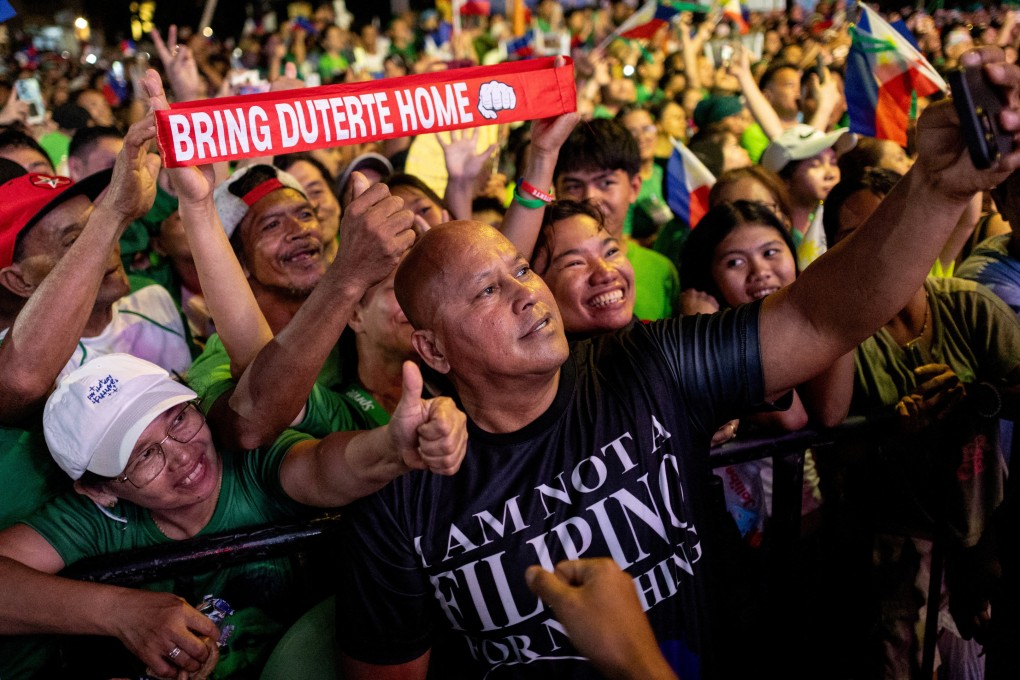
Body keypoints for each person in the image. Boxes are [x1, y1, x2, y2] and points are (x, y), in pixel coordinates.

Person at [330, 46, 1020, 680]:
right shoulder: (400, 496)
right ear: (433, 348)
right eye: (488, 290)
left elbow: (819, 315)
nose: (527, 293)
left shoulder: (646, 365)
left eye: (520, 268)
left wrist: (936, 186)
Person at [0, 352, 466, 679]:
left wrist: (390, 448)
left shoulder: (250, 463)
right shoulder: (94, 519)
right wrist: (123, 613)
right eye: (142, 456)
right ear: (98, 490)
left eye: (178, 418)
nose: (182, 457)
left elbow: (324, 465)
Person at [821, 166, 1020, 680]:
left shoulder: (970, 308)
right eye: (854, 237)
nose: (879, 249)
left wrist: (981, 397)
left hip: (985, 537)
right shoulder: (836, 340)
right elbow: (829, 454)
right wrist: (893, 435)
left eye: (896, 229)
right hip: (893, 559)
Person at [552, 118, 680, 321]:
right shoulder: (546, 272)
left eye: (605, 182)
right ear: (556, 192)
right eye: (574, 186)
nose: (590, 198)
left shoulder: (662, 270)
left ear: (634, 187)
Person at [761, 123, 853, 269]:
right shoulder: (773, 234)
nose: (830, 174)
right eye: (815, 165)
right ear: (784, 179)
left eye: (833, 162)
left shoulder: (834, 223)